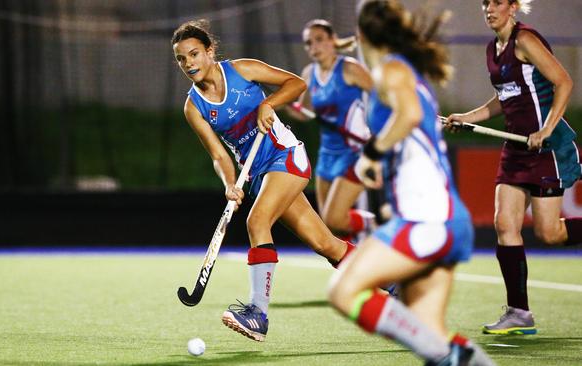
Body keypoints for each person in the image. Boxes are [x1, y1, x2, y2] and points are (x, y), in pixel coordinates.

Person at [328, 1, 494, 365]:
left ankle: (446, 352)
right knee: (431, 336)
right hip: (442, 217)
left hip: (427, 219)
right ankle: (454, 354)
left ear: (363, 35)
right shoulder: (403, 72)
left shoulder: (391, 70)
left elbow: (410, 115)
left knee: (344, 291)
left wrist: (372, 151)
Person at [171, 20, 355, 342]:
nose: (189, 64)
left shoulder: (244, 70)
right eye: (181, 59)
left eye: (194, 54)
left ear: (210, 51)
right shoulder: (194, 106)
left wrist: (268, 104)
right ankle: (394, 285)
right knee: (327, 245)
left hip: (286, 156)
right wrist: (230, 184)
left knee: (257, 222)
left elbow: (296, 84)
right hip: (258, 174)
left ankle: (258, 313)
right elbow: (218, 155)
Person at [446, 0, 580, 335]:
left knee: (549, 234)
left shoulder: (526, 40)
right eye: (485, 3)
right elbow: (503, 99)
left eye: (497, 2)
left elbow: (563, 81)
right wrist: (467, 117)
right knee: (505, 224)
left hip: (547, 148)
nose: (489, 8)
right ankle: (519, 313)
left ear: (514, 7)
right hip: (515, 148)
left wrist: (546, 130)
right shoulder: (493, 48)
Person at [286, 19, 377, 241]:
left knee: (335, 219)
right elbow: (303, 112)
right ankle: (356, 268)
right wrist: (281, 101)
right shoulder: (310, 73)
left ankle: (378, 224)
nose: (313, 47)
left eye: (319, 40)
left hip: (354, 152)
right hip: (328, 154)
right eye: (308, 43)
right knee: (330, 228)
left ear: (333, 40)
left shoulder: (349, 68)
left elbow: (381, 97)